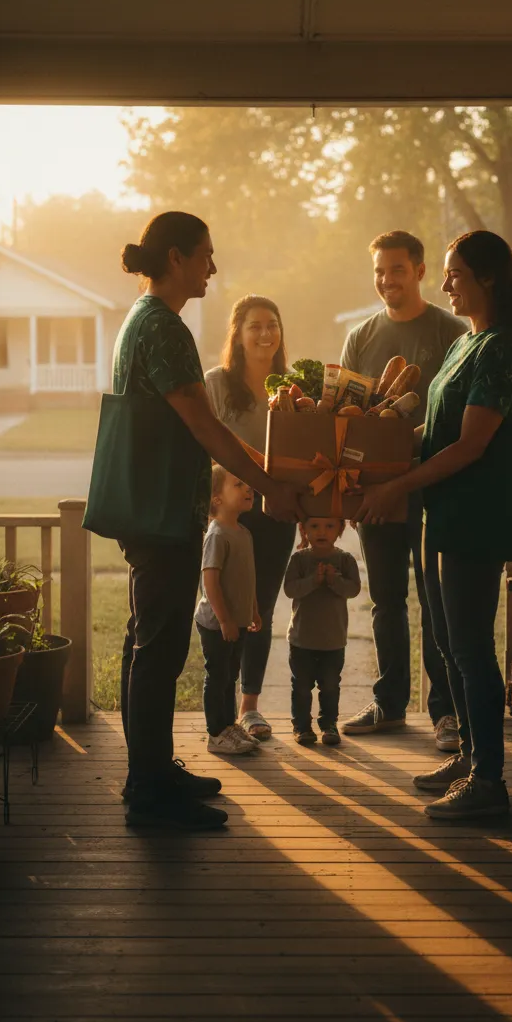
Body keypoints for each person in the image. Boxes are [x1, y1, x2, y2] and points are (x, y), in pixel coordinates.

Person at [110, 212, 300, 831]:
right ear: (176, 258)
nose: (212, 267)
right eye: (205, 255)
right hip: (162, 510)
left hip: (155, 506)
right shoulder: (162, 326)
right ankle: (149, 792)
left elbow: (201, 425)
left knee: (150, 644)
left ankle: (153, 773)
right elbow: (205, 426)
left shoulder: (146, 318)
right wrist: (270, 487)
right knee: (158, 652)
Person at [356, 230, 512, 821]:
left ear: (487, 278)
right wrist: (372, 450)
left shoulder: (501, 348)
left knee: (470, 647)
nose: (444, 284)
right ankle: (467, 757)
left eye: (455, 274)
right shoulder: (467, 343)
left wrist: (395, 487)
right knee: (447, 641)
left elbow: (468, 446)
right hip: (443, 513)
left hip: (474, 519)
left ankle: (489, 782)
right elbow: (433, 432)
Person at [339, 230, 468, 749]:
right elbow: (346, 421)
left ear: (419, 270)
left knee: (437, 602)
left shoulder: (451, 331)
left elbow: (458, 422)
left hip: (437, 488)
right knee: (386, 601)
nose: (386, 279)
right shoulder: (361, 337)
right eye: (379, 271)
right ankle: (389, 704)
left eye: (396, 269)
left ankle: (446, 712)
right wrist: (352, 489)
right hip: (376, 493)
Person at [205, 297, 296, 742]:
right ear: (237, 335)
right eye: (255, 326)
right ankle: (220, 710)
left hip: (277, 511)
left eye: (272, 325)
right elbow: (204, 445)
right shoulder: (216, 384)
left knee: (261, 609)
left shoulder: (294, 387)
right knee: (224, 608)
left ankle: (250, 708)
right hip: (227, 518)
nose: (265, 334)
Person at [195, 466, 261, 757]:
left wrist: (253, 610)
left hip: (238, 620)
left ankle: (229, 726)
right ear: (217, 499)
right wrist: (225, 620)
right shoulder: (217, 534)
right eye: (238, 484)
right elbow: (210, 581)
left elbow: (247, 578)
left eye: (248, 484)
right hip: (216, 622)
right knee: (218, 675)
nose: (249, 489)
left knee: (231, 675)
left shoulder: (243, 533)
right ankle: (216, 733)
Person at [284, 517, 362, 747]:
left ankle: (329, 725)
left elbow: (353, 589)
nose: (322, 532)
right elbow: (290, 589)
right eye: (314, 526)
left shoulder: (345, 560)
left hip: (333, 640)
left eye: (329, 526)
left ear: (340, 529)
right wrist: (314, 580)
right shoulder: (299, 559)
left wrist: (334, 580)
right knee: (301, 686)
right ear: (303, 529)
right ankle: (302, 726)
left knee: (330, 686)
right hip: (301, 639)